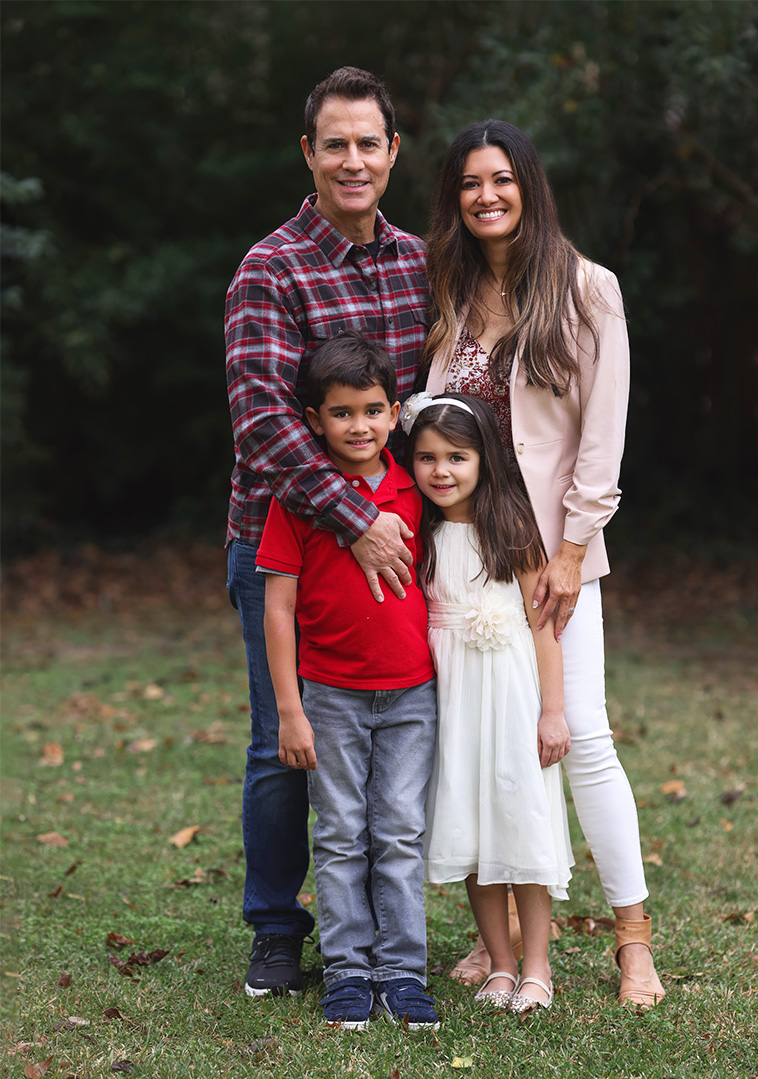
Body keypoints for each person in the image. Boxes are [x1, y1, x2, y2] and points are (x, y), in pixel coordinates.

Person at [420, 120, 666, 1008]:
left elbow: (603, 439)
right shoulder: (448, 292)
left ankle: (632, 939)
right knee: (481, 738)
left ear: (528, 185)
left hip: (555, 554)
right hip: (469, 555)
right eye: (468, 184)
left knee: (583, 735)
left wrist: (570, 551)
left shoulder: (588, 290)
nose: (486, 196)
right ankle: (508, 943)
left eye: (501, 179)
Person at [224, 67, 427, 997]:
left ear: (394, 151)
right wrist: (354, 522)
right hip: (288, 543)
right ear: (308, 153)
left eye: (368, 142)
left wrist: (407, 519)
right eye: (333, 143)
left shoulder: (420, 261)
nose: (353, 159)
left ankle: (390, 936)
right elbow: (264, 423)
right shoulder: (271, 269)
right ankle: (276, 927)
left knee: (390, 739)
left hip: (397, 541)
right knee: (286, 740)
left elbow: (426, 410)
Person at [255, 333, 439, 1030]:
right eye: (341, 413)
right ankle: (348, 972)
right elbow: (278, 609)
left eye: (372, 410)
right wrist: (289, 711)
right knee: (338, 834)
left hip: (413, 694)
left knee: (398, 832)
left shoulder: (415, 487)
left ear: (395, 411)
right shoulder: (299, 499)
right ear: (313, 419)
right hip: (329, 696)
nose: (359, 426)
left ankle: (402, 972)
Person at [402, 391, 573, 1013]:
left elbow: (544, 628)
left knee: (519, 819)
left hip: (510, 693)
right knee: (471, 824)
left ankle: (536, 967)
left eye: (457, 457)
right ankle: (498, 962)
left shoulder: (513, 528)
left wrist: (552, 712)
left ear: (484, 460)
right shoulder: (417, 531)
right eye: (426, 458)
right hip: (450, 694)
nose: (440, 471)